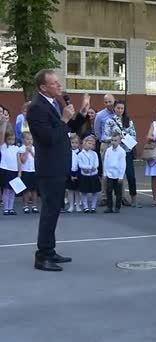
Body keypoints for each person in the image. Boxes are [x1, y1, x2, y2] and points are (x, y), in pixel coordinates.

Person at [26, 69, 74, 271]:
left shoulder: (53, 103)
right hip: (49, 167)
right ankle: (42, 256)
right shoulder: (36, 107)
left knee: (54, 210)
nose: (59, 85)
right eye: (54, 83)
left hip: (59, 165)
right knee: (49, 211)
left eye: (58, 82)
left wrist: (77, 116)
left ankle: (50, 250)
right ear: (43, 87)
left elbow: (67, 131)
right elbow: (47, 138)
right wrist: (64, 119)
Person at [104, 100, 139, 208]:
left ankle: (134, 198)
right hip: (114, 151)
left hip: (126, 151)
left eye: (122, 108)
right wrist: (115, 138)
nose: (120, 110)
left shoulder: (128, 121)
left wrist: (126, 137)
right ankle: (113, 200)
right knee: (113, 175)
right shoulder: (109, 121)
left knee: (131, 176)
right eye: (118, 108)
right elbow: (105, 137)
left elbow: (134, 136)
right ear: (114, 108)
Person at [94, 94, 115, 206]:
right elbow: (97, 132)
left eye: (110, 101)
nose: (108, 104)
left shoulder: (118, 112)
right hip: (106, 145)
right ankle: (104, 197)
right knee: (105, 171)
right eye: (106, 102)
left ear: (114, 101)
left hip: (118, 146)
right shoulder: (100, 115)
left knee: (119, 170)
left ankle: (120, 196)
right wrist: (104, 140)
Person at [103, 133, 126, 214]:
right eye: (112, 140)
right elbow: (105, 162)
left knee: (118, 192)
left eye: (115, 140)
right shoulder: (108, 150)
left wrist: (121, 176)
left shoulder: (122, 152)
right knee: (108, 190)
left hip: (117, 174)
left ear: (119, 141)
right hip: (109, 174)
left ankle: (117, 207)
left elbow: (123, 164)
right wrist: (105, 173)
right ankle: (109, 206)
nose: (113, 142)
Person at [0, 114, 19, 215]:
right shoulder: (3, 146)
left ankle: (11, 208)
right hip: (5, 170)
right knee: (6, 190)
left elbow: (19, 160)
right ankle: (6, 208)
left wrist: (19, 171)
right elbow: (2, 134)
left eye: (13, 139)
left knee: (12, 191)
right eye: (9, 139)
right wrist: (4, 123)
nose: (12, 141)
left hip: (14, 171)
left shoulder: (16, 148)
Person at [77, 135, 101, 214]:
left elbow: (96, 163)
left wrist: (93, 167)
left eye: (92, 144)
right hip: (85, 175)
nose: (90, 145)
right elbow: (80, 164)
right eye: (89, 143)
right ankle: (86, 207)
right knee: (84, 191)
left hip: (93, 174)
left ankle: (93, 207)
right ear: (84, 143)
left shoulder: (94, 154)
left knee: (94, 191)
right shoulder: (80, 154)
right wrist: (87, 168)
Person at [18, 132, 38, 214]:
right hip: (25, 171)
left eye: (31, 139)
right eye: (27, 139)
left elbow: (37, 159)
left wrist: (31, 152)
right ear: (23, 140)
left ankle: (34, 206)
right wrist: (26, 152)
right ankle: (25, 206)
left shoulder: (34, 148)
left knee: (34, 190)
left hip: (34, 171)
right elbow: (22, 161)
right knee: (26, 190)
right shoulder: (21, 149)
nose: (30, 141)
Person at [67, 135, 81, 213]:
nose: (74, 144)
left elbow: (80, 164)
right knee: (70, 191)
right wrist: (70, 175)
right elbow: (67, 164)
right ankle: (71, 205)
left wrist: (77, 175)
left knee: (77, 191)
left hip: (78, 173)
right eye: (72, 143)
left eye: (76, 143)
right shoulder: (68, 153)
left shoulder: (80, 153)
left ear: (79, 144)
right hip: (70, 173)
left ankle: (78, 205)